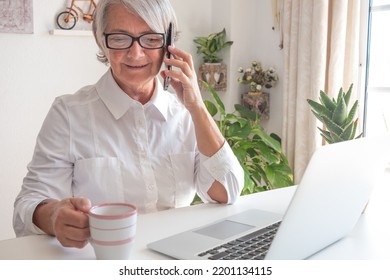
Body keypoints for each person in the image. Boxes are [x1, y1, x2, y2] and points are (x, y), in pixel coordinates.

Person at [13, 0, 244, 249]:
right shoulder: (68, 114)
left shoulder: (185, 113)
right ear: (102, 41)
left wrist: (197, 107)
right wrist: (54, 215)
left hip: (176, 258)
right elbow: (27, 206)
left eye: (151, 39)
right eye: (120, 38)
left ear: (168, 45)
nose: (136, 54)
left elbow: (227, 191)